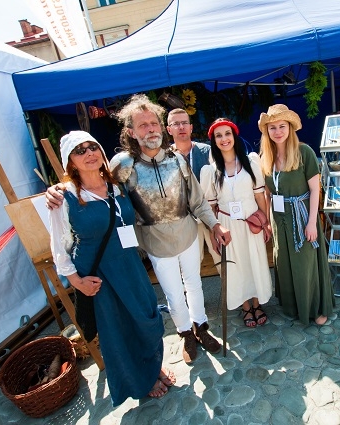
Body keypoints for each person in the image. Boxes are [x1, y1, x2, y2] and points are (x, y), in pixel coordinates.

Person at [46, 95, 231, 365]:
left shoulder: (178, 161)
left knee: (194, 283)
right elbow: (93, 184)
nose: (151, 129)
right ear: (131, 132)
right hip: (154, 240)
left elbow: (198, 201)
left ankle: (201, 328)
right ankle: (185, 333)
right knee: (172, 292)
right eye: (143, 125)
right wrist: (58, 189)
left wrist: (214, 224)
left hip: (188, 233)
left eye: (154, 123)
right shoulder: (122, 165)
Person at [49, 130, 174, 404]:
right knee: (119, 329)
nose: (89, 153)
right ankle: (140, 380)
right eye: (79, 151)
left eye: (92, 147)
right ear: (70, 162)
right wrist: (77, 281)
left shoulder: (117, 186)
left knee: (145, 318)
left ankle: (152, 366)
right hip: (99, 274)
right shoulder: (65, 198)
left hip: (129, 265)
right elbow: (59, 247)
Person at [258, 104, 335, 325]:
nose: (277, 131)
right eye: (272, 127)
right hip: (279, 218)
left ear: (290, 127)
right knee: (284, 262)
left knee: (305, 263)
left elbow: (315, 190)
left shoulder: (304, 152)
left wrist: (312, 222)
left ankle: (315, 308)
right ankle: (293, 306)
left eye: (282, 126)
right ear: (267, 131)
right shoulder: (266, 157)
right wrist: (268, 222)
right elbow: (268, 193)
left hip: (302, 215)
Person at [200, 118, 273, 327]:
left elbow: (260, 196)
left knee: (254, 262)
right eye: (219, 135)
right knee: (235, 266)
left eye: (227, 134)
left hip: (251, 222)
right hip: (227, 225)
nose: (224, 139)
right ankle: (245, 306)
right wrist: (214, 233)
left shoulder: (250, 162)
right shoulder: (210, 171)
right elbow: (210, 207)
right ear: (214, 141)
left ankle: (257, 303)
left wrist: (266, 222)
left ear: (234, 136)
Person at [167, 108, 220, 267]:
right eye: (176, 124)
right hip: (184, 222)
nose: (181, 127)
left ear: (191, 127)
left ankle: (228, 286)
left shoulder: (207, 151)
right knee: (190, 266)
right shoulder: (165, 157)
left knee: (222, 260)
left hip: (210, 214)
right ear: (169, 130)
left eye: (184, 123)